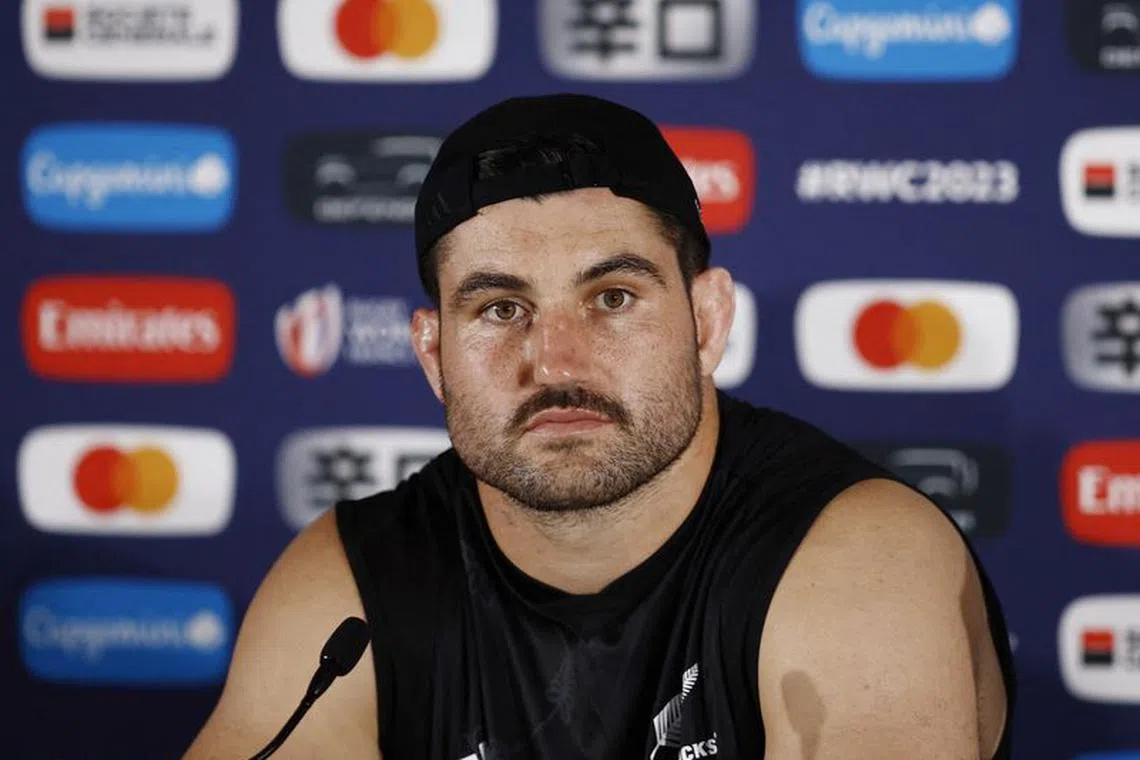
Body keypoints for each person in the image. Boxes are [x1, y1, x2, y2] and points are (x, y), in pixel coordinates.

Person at [183, 93, 1015, 760]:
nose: (555, 363)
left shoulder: (856, 557)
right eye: (500, 308)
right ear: (433, 354)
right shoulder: (348, 590)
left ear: (708, 323)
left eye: (612, 298)